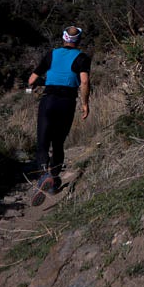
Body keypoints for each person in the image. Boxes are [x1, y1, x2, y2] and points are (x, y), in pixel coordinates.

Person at [26, 25, 91, 204]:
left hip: (48, 101)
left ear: (63, 38)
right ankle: (53, 182)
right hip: (67, 103)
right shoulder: (82, 58)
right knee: (58, 144)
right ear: (79, 40)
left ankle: (43, 175)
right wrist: (85, 104)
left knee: (42, 142)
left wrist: (45, 81)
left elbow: (31, 80)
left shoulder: (51, 54)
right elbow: (84, 82)